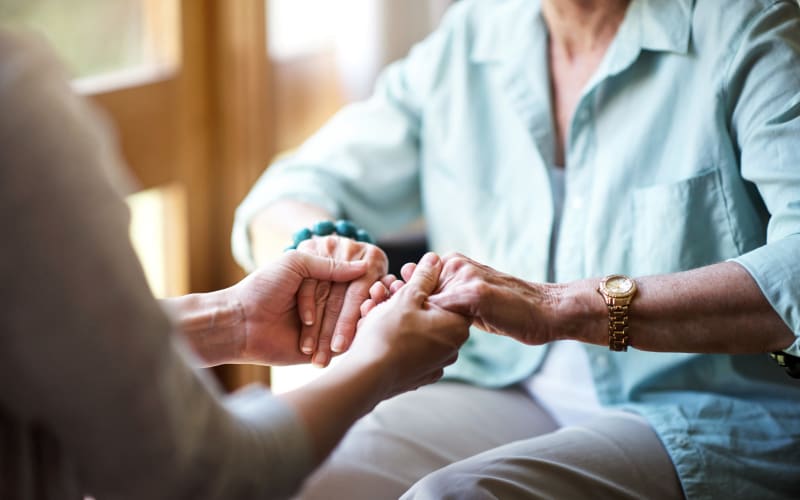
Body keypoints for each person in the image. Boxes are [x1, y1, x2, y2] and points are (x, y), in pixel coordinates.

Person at [233, 0, 800, 498]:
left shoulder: (751, 30)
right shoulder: (472, 37)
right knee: (298, 476)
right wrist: (327, 255)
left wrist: (559, 305)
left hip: (703, 413)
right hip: (499, 384)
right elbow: (286, 192)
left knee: (454, 496)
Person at [0, 30, 471, 499]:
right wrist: (378, 363)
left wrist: (232, 319)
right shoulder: (17, 101)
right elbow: (198, 476)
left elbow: (48, 344)